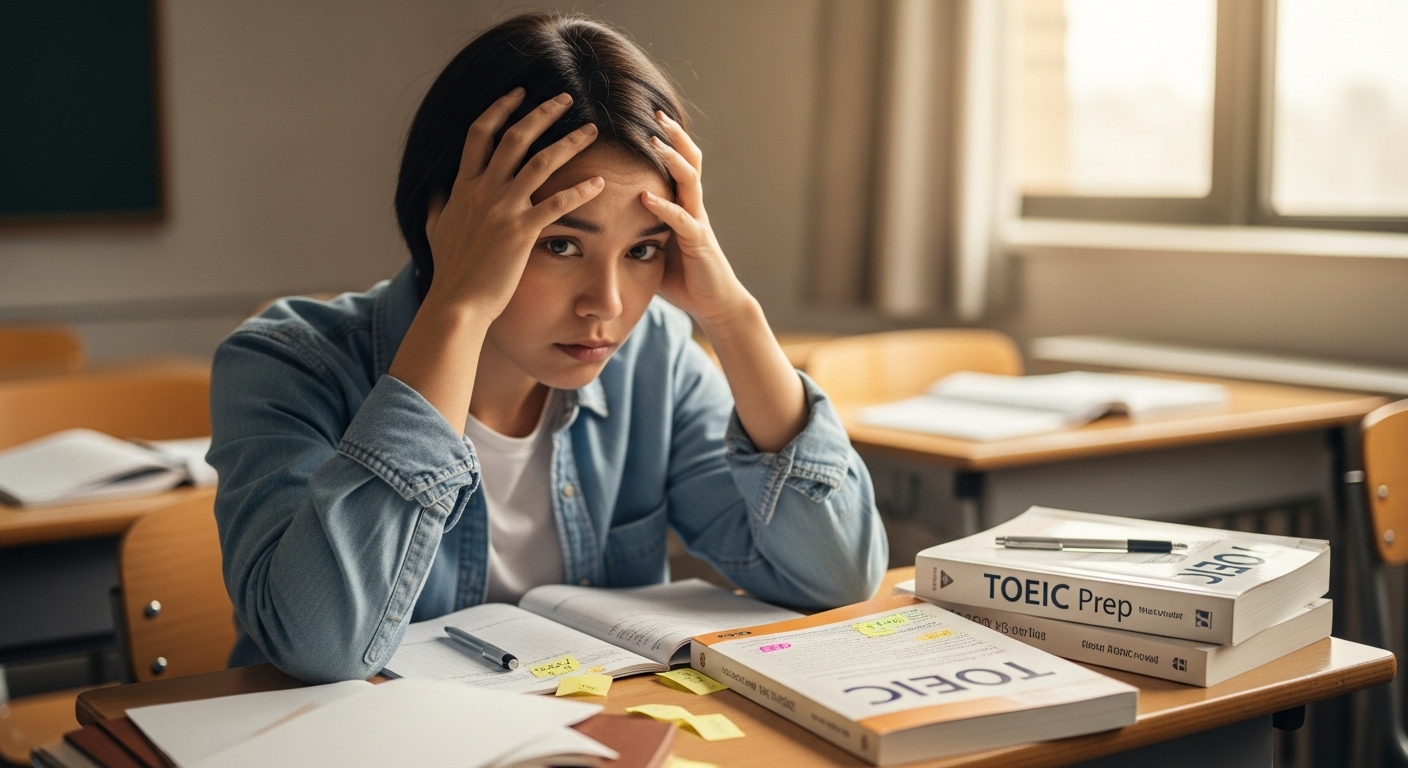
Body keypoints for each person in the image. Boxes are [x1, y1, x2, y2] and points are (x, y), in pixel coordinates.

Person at [208, 11, 887, 683]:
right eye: (560, 243)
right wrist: (460, 306)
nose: (608, 305)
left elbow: (838, 574)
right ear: (452, 220)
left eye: (643, 250)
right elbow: (319, 647)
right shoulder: (286, 366)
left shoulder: (655, 358)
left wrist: (732, 314)